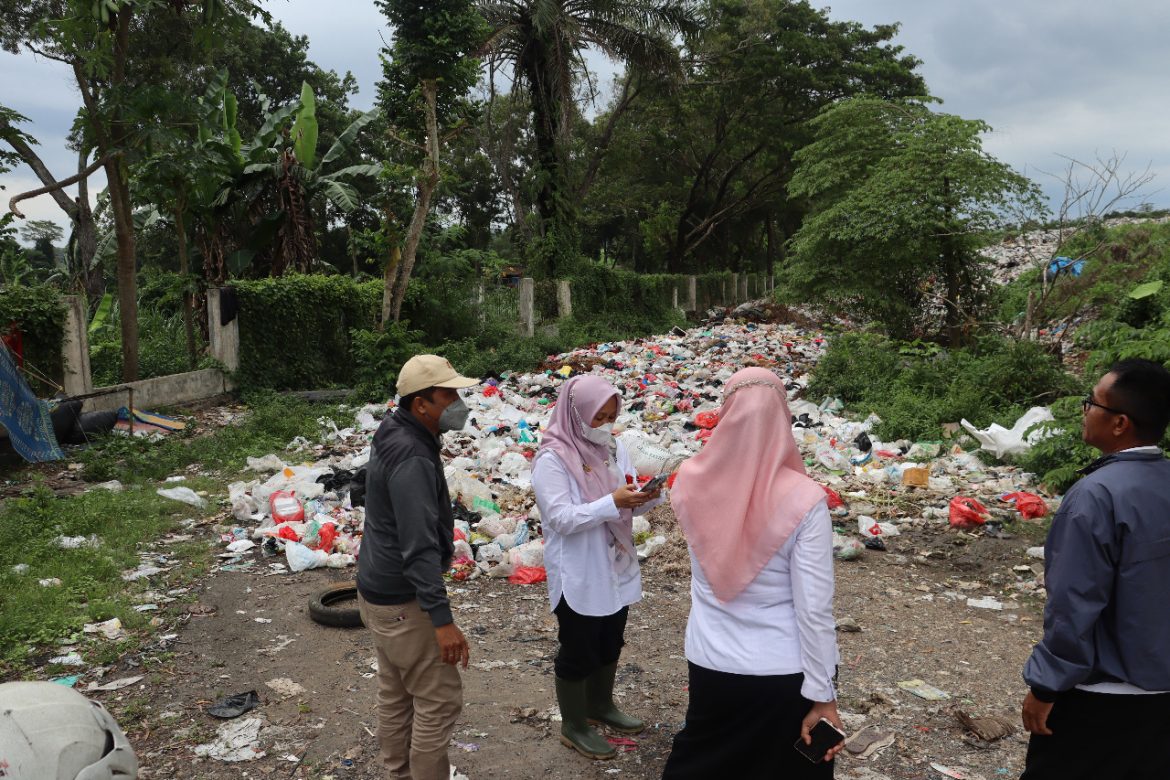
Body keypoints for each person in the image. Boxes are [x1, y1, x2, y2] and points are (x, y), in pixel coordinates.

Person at [661, 367, 843, 778]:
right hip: (782, 673)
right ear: (783, 419)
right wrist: (823, 696)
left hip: (711, 662)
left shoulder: (689, 481)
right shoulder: (805, 499)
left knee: (704, 762)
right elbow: (814, 610)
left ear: (726, 416)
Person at [1020, 358, 1170, 780]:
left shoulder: (1096, 495)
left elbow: (1074, 603)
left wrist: (1046, 685)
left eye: (1092, 403)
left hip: (1100, 700)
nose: (1085, 411)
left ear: (1120, 423)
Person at [356, 354, 478, 780]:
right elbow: (419, 548)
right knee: (438, 700)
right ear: (421, 404)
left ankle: (400, 773)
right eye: (450, 395)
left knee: (396, 693)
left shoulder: (393, 428)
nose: (459, 403)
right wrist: (442, 620)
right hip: (404, 601)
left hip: (376, 589)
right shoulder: (412, 456)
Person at [532, 374, 663, 760]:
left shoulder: (612, 448)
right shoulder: (552, 459)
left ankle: (600, 705)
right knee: (579, 647)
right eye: (598, 417)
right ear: (575, 415)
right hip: (579, 569)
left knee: (610, 638)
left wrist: (646, 497)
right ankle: (573, 724)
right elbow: (561, 518)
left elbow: (623, 498)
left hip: (615, 561)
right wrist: (614, 502)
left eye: (611, 415)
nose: (605, 425)